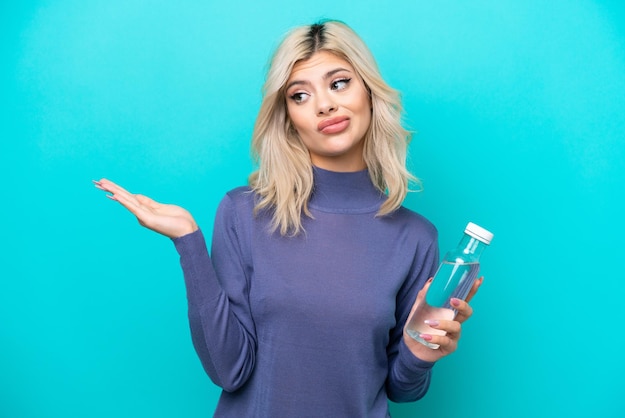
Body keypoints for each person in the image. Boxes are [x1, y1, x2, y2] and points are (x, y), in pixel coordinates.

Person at [94, 19, 483, 418]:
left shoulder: (415, 238)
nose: (324, 105)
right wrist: (188, 241)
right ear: (288, 118)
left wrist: (420, 353)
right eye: (300, 95)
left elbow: (402, 390)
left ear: (368, 90)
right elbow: (230, 370)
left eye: (339, 83)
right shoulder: (244, 213)